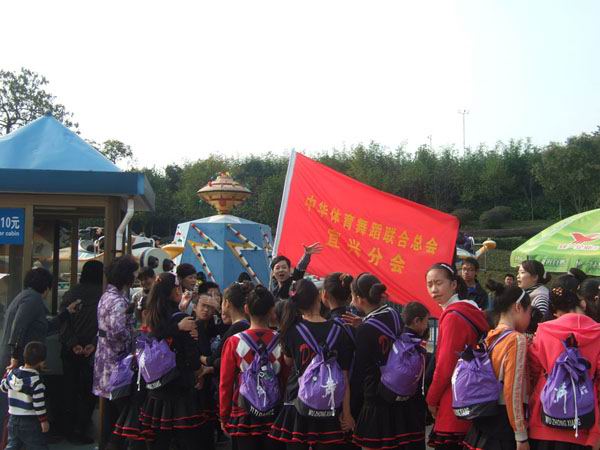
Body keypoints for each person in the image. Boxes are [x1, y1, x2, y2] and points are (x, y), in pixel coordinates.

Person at [269, 279, 354, 448]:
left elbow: (288, 361)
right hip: (329, 404)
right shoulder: (339, 330)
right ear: (319, 298)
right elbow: (344, 377)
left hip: (297, 401)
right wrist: (347, 413)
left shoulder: (290, 330)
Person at [0, 268, 80, 441]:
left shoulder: (24, 297)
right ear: (46, 287)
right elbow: (19, 326)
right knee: (19, 408)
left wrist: (66, 313)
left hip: (18, 360)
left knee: (15, 407)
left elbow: (44, 327)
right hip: (20, 362)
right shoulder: (33, 300)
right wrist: (15, 356)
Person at [351, 274, 427, 450]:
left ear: (359, 299)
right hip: (405, 398)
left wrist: (351, 410)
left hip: (377, 400)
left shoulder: (364, 330)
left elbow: (359, 373)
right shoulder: (394, 314)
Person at [425, 263, 489, 450]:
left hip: (454, 402)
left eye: (439, 283)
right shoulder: (470, 310)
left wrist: (431, 399)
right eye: (429, 284)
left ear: (453, 285)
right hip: (474, 397)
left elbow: (445, 366)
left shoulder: (453, 317)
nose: (434, 289)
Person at [528, 287, 600, 450]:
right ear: (582, 303)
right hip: (585, 423)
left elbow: (533, 370)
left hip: (544, 419)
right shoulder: (597, 333)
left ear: (555, 312)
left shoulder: (544, 330)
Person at [463, 281, 531, 450]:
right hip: (503, 427)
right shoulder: (516, 339)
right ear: (518, 307)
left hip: (482, 423)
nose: (530, 318)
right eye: (529, 311)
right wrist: (521, 435)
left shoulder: (490, 337)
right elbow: (512, 390)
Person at [139, 272, 203, 450]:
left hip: (156, 385)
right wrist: (198, 371)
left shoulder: (151, 314)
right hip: (178, 384)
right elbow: (191, 354)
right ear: (175, 291)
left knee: (160, 439)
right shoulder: (180, 319)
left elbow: (147, 337)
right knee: (185, 439)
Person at [219, 285, 286, 450]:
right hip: (275, 412)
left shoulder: (234, 341)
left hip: (243, 412)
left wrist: (224, 415)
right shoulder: (281, 340)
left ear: (246, 309)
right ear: (272, 310)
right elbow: (285, 378)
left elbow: (225, 383)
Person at [59, 260, 104, 444]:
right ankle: (81, 428)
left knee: (70, 390)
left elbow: (63, 321)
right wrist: (92, 344)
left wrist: (73, 344)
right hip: (92, 350)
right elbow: (103, 325)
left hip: (70, 350)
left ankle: (67, 429)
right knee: (87, 393)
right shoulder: (102, 295)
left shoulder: (71, 293)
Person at [1, 342, 49, 450]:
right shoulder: (37, 382)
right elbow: (39, 405)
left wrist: (7, 373)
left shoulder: (12, 375)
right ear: (41, 362)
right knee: (37, 446)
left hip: (13, 420)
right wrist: (44, 421)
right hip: (30, 421)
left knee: (13, 445)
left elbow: (3, 387)